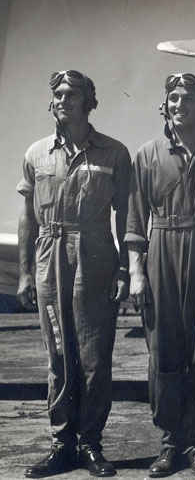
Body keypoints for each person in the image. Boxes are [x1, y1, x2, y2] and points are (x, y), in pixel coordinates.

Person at [17, 70, 130, 478]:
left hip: (96, 254)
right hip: (49, 256)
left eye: (71, 94)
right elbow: (27, 218)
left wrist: (123, 268)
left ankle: (90, 443)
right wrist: (27, 274)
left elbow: (125, 216)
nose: (62, 100)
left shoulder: (114, 153)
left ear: (88, 101)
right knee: (59, 353)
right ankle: (61, 444)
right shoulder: (36, 154)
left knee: (95, 356)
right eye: (57, 94)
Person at [126, 73, 195, 477]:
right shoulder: (146, 154)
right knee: (164, 352)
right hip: (161, 249)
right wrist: (137, 271)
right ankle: (169, 442)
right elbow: (136, 219)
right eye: (173, 98)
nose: (179, 105)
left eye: (187, 99)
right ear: (165, 105)